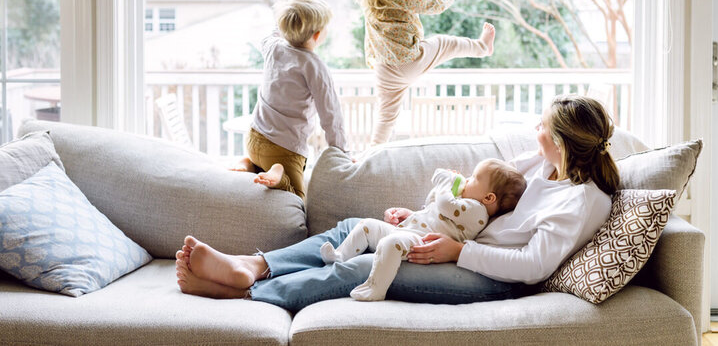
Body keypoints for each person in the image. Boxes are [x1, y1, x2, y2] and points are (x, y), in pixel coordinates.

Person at [175, 94, 619, 312]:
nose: (533, 127)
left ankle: (247, 292)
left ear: (560, 142)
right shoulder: (543, 164)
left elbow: (532, 267)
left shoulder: (582, 202)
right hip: (460, 248)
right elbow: (476, 196)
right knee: (353, 226)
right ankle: (254, 266)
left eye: (541, 124)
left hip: (494, 277)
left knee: (365, 265)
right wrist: (420, 220)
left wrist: (459, 251)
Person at [347, 0, 495, 144]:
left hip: (384, 69)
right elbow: (431, 6)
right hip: (410, 62)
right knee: (445, 43)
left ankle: (370, 154)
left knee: (385, 117)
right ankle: (482, 47)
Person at [320, 159, 527, 301]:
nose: (466, 180)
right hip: (409, 230)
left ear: (489, 198)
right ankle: (340, 256)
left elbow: (445, 204)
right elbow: (433, 204)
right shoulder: (463, 203)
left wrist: (447, 182)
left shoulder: (477, 213)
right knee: (367, 225)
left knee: (389, 244)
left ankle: (376, 288)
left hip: (423, 241)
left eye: (473, 178)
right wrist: (409, 214)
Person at [231, 0, 347, 200]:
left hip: (254, 138)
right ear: (318, 35)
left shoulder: (273, 47)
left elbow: (273, 32)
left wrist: (285, 13)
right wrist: (341, 153)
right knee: (298, 199)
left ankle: (249, 164)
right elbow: (331, 116)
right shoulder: (314, 66)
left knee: (260, 166)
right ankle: (279, 172)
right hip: (283, 151)